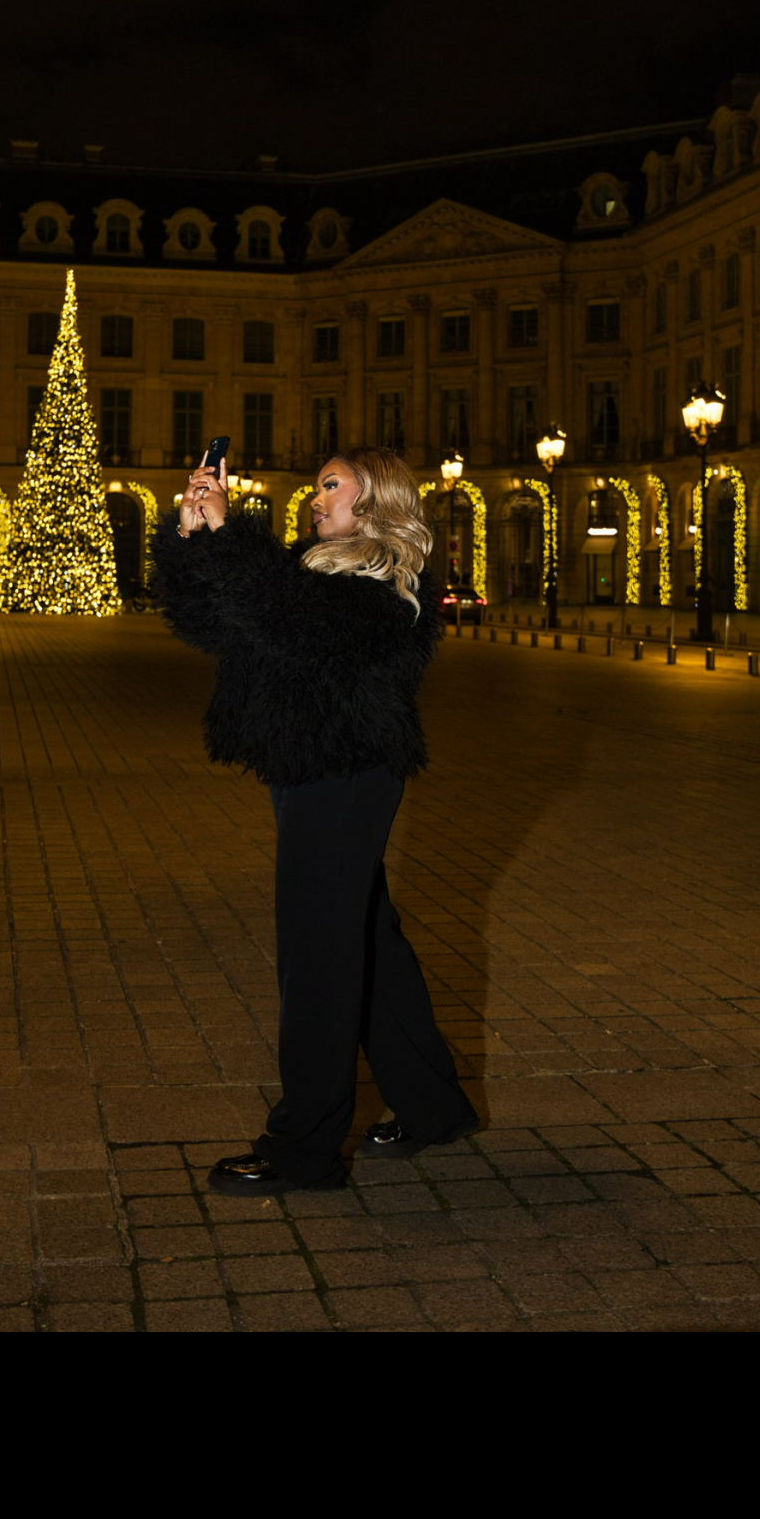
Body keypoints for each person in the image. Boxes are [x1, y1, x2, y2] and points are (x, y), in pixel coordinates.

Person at [153, 447, 478, 1196]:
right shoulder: (316, 563)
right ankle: (432, 1106)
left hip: (345, 774)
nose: (314, 496)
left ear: (373, 496)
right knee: (365, 937)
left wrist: (234, 542)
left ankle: (304, 1150)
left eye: (330, 483)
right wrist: (196, 535)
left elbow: (293, 625)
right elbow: (217, 624)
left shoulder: (389, 578)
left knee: (318, 958)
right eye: (315, 485)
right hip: (308, 766)